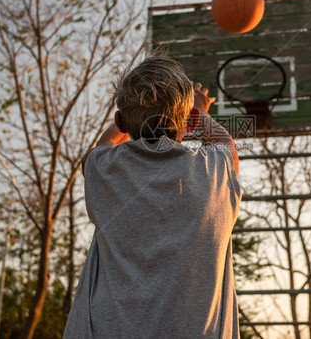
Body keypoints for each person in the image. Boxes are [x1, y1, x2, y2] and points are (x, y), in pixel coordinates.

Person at [64, 56, 242, 338]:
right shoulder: (214, 170)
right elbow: (227, 145)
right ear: (186, 123)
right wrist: (201, 112)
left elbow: (105, 144)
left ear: (120, 120)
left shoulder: (102, 167)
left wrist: (124, 121)